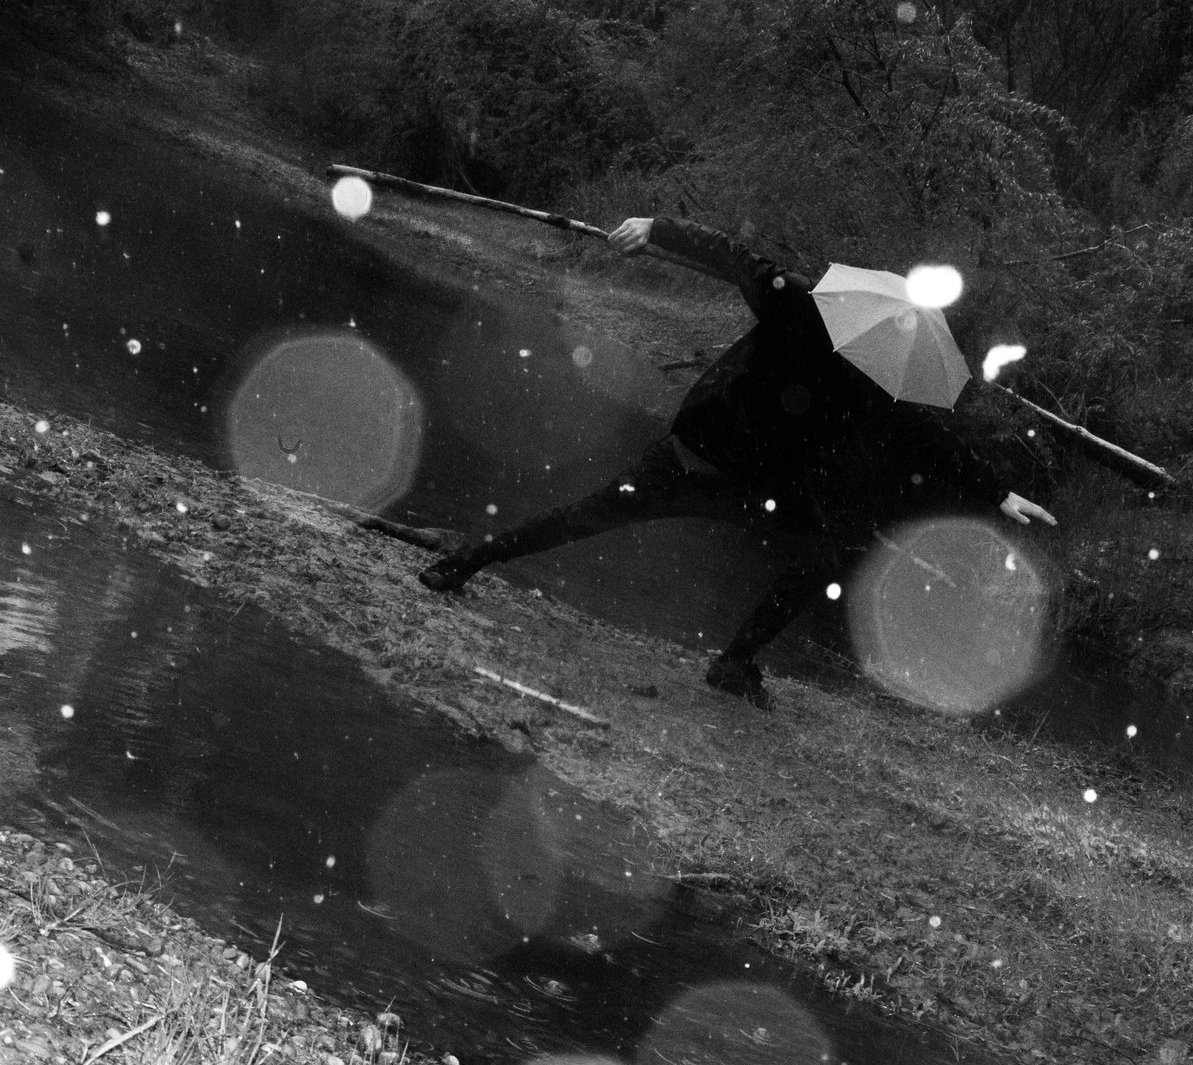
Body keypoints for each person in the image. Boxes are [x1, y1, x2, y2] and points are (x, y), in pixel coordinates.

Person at [418, 215, 1055, 708]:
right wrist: (658, 230)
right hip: (710, 463)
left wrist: (997, 491)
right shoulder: (826, 335)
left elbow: (927, 439)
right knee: (603, 520)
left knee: (806, 554)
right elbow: (731, 256)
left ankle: (468, 564)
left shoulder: (821, 327)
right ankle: (469, 560)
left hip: (724, 469)